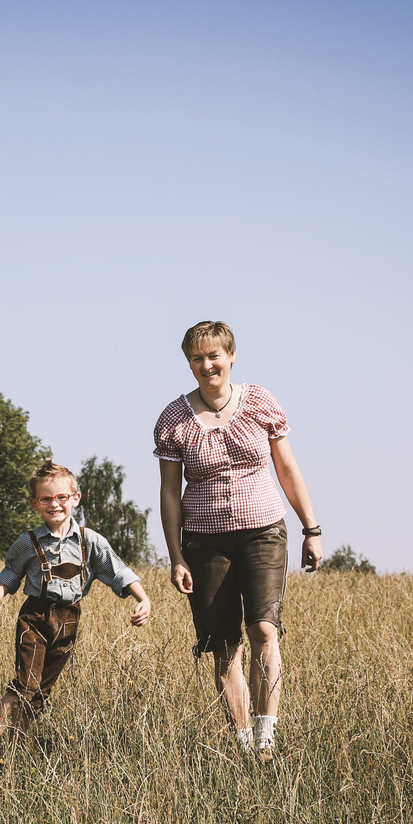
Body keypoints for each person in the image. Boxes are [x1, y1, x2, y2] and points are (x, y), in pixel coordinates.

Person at [154, 320, 322, 765]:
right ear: (188, 363)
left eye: (214, 356)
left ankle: (267, 738)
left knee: (265, 629)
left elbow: (287, 469)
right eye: (197, 358)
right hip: (205, 542)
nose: (207, 365)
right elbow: (170, 494)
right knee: (223, 643)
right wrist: (176, 556)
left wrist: (312, 529)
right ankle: (244, 744)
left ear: (231, 357)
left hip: (263, 530)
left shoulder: (261, 402)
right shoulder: (173, 419)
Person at [0, 459, 152, 766]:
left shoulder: (90, 541)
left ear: (75, 498)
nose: (55, 504)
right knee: (25, 683)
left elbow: (118, 571)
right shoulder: (28, 542)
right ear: (35, 503)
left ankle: (14, 752)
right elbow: (10, 574)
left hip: (69, 621)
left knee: (39, 693)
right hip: (35, 617)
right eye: (46, 499)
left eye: (61, 497)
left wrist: (143, 599)